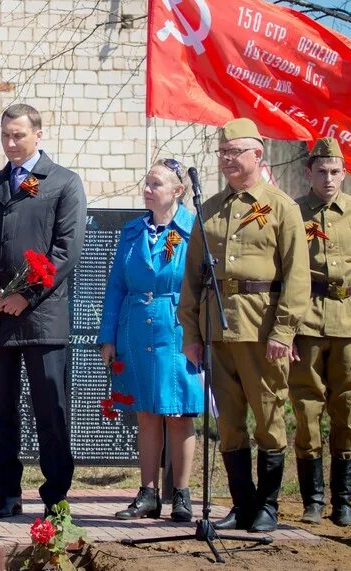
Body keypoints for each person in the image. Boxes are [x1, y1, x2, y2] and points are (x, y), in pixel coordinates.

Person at [179, 118, 310, 533]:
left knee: (268, 417)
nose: (227, 160)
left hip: (262, 329)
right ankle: (242, 503)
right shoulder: (210, 208)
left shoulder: (281, 207)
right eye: (222, 153)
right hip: (218, 330)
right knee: (230, 424)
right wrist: (192, 335)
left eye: (235, 152)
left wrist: (283, 331)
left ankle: (268, 506)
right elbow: (193, 278)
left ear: (258, 155)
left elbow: (296, 276)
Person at [0, 103, 86, 518]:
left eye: (19, 135)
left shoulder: (63, 183)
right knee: (0, 409)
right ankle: (8, 492)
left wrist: (25, 296)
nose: (11, 143)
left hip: (41, 319)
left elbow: (64, 252)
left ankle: (56, 497)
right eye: (5, 136)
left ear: (38, 134)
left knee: (50, 409)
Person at [98, 159, 202, 522]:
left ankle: (182, 494)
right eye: (146, 182)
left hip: (176, 328)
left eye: (156, 184)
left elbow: (202, 288)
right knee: (145, 412)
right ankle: (147, 494)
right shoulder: (131, 231)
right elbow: (116, 287)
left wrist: (199, 335)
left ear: (177, 191)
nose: (147, 189)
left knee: (176, 411)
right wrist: (107, 337)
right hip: (135, 328)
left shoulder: (193, 230)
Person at [289, 137, 351, 527]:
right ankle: (312, 499)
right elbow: (283, 272)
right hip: (306, 321)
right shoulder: (292, 212)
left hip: (348, 323)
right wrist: (286, 331)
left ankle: (343, 502)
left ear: (344, 173)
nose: (329, 179)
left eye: (335, 172)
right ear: (308, 172)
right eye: (321, 171)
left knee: (345, 410)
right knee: (307, 413)